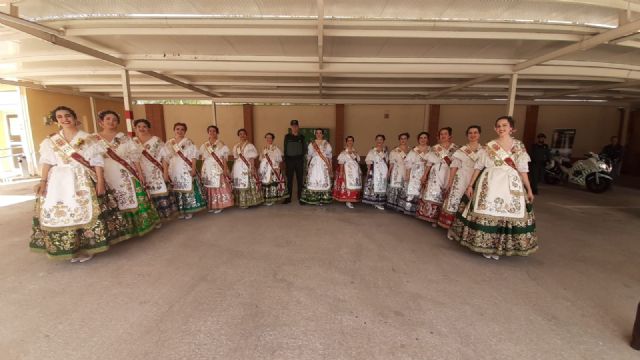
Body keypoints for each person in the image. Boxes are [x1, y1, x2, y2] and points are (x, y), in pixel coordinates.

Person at [30, 106, 129, 262]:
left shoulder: (88, 138)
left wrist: (100, 181)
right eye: (60, 117)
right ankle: (71, 248)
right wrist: (43, 181)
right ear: (56, 120)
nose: (64, 119)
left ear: (75, 118)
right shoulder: (51, 140)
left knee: (83, 211)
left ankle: (87, 247)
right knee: (63, 212)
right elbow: (47, 162)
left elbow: (97, 161)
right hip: (58, 181)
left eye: (67, 115)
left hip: (82, 178)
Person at [448, 116, 538, 260]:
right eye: (498, 126)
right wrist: (471, 185)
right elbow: (478, 167)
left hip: (511, 184)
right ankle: (487, 246)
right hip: (490, 182)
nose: (501, 128)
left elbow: (523, 169)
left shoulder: (519, 146)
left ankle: (499, 247)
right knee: (489, 212)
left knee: (507, 214)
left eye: (504, 125)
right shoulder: (489, 146)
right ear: (495, 129)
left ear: (511, 128)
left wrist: (529, 189)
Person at [93, 110, 160, 236]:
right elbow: (93, 159)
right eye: (108, 119)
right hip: (104, 173)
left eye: (114, 119)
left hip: (126, 172)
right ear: (101, 122)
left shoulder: (125, 138)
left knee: (132, 197)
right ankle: (118, 230)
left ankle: (138, 226)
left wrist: (140, 173)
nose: (111, 122)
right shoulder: (93, 139)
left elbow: (135, 157)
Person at [133, 119, 178, 220]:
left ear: (148, 128)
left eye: (144, 126)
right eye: (139, 126)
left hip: (157, 171)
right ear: (135, 128)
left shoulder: (156, 140)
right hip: (141, 172)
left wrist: (165, 173)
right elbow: (133, 160)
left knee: (159, 192)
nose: (141, 128)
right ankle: (153, 218)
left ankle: (162, 216)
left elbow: (165, 157)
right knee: (147, 194)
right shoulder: (133, 142)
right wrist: (139, 173)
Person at [437, 125, 481, 229]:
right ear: (467, 135)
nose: (473, 135)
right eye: (470, 133)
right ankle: (451, 226)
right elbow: (454, 167)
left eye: (475, 132)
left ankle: (465, 227)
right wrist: (450, 182)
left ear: (479, 134)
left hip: (475, 178)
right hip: (461, 178)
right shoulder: (461, 150)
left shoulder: (483, 150)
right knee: (456, 199)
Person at [416, 127, 458, 226]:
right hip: (435, 173)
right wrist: (424, 175)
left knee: (445, 193)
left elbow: (456, 163)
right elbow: (429, 163)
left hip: (449, 172)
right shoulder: (435, 148)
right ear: (438, 136)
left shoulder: (455, 148)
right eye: (441, 134)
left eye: (445, 134)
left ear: (450, 136)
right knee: (433, 192)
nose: (443, 136)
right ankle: (430, 216)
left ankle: (441, 218)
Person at [165, 122, 207, 219]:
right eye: (177, 129)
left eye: (182, 129)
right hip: (174, 170)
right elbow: (165, 159)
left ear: (185, 131)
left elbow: (193, 156)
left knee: (187, 189)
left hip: (186, 169)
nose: (179, 131)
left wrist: (193, 169)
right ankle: (181, 210)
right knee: (178, 190)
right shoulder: (169, 143)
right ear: (174, 130)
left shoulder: (188, 142)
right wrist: (166, 172)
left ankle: (189, 210)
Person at [200, 125, 234, 213]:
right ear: (208, 132)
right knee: (210, 186)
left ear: (217, 132)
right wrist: (202, 170)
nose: (212, 133)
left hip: (218, 167)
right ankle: (212, 205)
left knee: (218, 186)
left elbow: (224, 158)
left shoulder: (220, 144)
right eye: (210, 131)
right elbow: (203, 158)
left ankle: (220, 205)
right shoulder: (204, 145)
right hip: (208, 167)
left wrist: (225, 169)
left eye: (214, 131)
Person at [398, 132, 430, 215]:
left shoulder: (431, 150)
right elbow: (409, 163)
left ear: (427, 139)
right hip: (415, 172)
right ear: (418, 139)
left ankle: (420, 211)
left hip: (426, 171)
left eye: (425, 137)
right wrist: (408, 175)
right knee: (413, 189)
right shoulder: (414, 150)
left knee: (422, 190)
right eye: (421, 138)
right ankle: (410, 209)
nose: (423, 139)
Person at [232, 128, 264, 208]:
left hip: (247, 166)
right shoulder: (236, 146)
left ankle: (249, 201)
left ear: (246, 135)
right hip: (238, 168)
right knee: (239, 183)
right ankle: (241, 201)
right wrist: (233, 169)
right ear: (238, 136)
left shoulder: (249, 146)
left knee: (248, 182)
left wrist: (252, 168)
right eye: (240, 134)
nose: (242, 135)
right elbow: (236, 158)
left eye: (243, 134)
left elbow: (251, 158)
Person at [300, 128, 333, 205]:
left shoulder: (327, 144)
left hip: (323, 164)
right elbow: (309, 156)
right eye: (317, 133)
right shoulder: (311, 144)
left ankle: (322, 198)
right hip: (314, 164)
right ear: (315, 134)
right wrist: (307, 166)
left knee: (323, 179)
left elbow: (329, 157)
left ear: (322, 134)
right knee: (313, 179)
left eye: (320, 133)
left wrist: (330, 167)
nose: (318, 134)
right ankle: (313, 198)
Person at [333, 136, 362, 208]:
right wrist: (341, 172)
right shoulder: (343, 153)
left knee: (354, 185)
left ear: (353, 142)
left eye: (351, 140)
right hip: (347, 171)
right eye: (348, 140)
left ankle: (353, 198)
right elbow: (341, 163)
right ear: (346, 142)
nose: (350, 142)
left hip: (354, 171)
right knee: (347, 185)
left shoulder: (355, 152)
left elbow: (358, 161)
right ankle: (348, 200)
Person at [259, 132, 288, 205]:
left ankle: (272, 199)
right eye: (267, 138)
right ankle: (266, 198)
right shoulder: (264, 148)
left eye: (270, 138)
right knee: (265, 183)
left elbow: (279, 160)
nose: (269, 139)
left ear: (273, 139)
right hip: (265, 169)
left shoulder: (276, 148)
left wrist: (277, 168)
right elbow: (261, 158)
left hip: (273, 168)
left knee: (272, 183)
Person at [362, 134, 388, 210]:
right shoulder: (372, 151)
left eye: (381, 139)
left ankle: (379, 201)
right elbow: (369, 161)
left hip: (383, 171)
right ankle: (374, 201)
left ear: (383, 141)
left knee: (381, 186)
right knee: (374, 185)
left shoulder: (385, 151)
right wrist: (368, 171)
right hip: (374, 171)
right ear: (376, 140)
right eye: (378, 139)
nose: (379, 141)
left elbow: (386, 161)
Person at [283, 119, 306, 204]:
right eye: (293, 126)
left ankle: (300, 198)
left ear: (298, 127)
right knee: (289, 180)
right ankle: (288, 198)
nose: (294, 127)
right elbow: (285, 149)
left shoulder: (302, 137)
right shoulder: (287, 136)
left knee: (300, 180)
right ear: (291, 127)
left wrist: (302, 159)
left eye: (296, 126)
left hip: (299, 161)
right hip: (290, 161)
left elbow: (304, 149)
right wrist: (286, 161)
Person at [386, 133, 410, 211]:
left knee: (404, 187)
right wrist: (389, 172)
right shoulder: (395, 151)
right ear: (399, 140)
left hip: (407, 170)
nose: (403, 140)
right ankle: (393, 204)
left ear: (407, 139)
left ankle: (402, 206)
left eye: (405, 138)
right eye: (401, 138)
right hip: (396, 170)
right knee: (395, 186)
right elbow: (392, 163)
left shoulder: (410, 150)